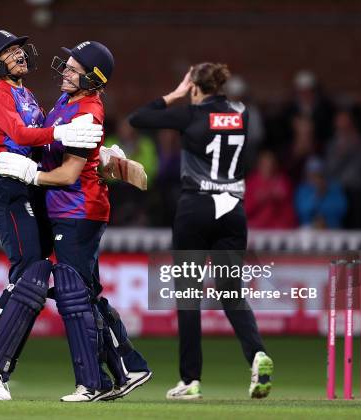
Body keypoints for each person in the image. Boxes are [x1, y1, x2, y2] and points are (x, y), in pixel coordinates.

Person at [0, 41, 151, 402]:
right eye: (65, 65)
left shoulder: (87, 112)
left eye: (72, 67)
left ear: (93, 78)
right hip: (67, 210)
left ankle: (94, 381)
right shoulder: (67, 102)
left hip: (78, 211)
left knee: (75, 296)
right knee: (84, 295)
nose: (63, 71)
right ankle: (129, 366)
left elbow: (67, 174)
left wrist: (29, 173)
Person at [0, 30, 103, 401]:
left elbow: (34, 141)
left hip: (24, 185)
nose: (19, 54)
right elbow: (23, 135)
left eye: (18, 48)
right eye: (8, 52)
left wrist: (102, 157)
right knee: (28, 272)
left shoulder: (24, 92)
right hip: (7, 187)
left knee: (34, 273)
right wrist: (63, 131)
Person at [128, 63, 273, 400]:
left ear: (194, 86)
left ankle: (190, 380)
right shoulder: (242, 113)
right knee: (232, 292)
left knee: (189, 296)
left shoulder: (190, 116)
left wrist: (175, 95)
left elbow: (138, 118)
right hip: (232, 209)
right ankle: (257, 356)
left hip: (195, 208)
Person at [294, 156, 347, 229]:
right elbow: (302, 211)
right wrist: (316, 196)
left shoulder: (335, 187)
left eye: (319, 174)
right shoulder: (302, 189)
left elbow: (342, 209)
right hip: (309, 227)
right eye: (312, 174)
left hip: (331, 226)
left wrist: (324, 217)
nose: (316, 178)